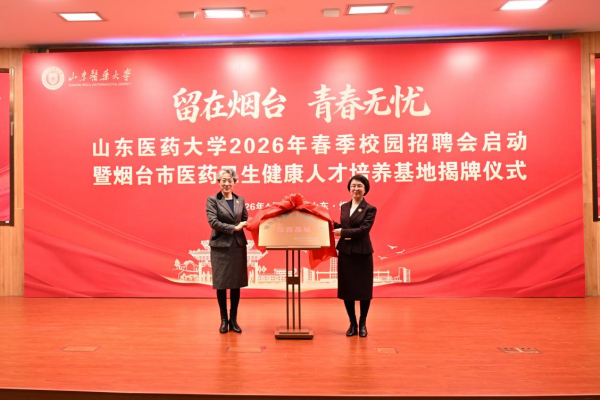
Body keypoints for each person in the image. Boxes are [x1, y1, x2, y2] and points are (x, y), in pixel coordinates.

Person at [333, 175, 377, 338]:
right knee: (348, 290)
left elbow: (363, 230)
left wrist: (342, 232)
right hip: (346, 252)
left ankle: (363, 323)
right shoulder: (344, 207)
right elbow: (344, 226)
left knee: (364, 291)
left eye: (359, 186)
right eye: (353, 186)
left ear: (365, 189)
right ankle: (352, 323)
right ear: (349, 188)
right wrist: (326, 223)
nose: (356, 189)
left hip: (362, 253)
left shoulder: (370, 209)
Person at [206, 168, 248, 334]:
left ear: (234, 182)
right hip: (220, 247)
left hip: (237, 246)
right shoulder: (212, 200)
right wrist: (234, 227)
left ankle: (233, 320)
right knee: (222, 284)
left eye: (230, 180)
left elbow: (245, 219)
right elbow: (213, 222)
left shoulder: (240, 200)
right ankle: (223, 321)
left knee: (236, 284)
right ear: (219, 182)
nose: (227, 183)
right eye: (223, 180)